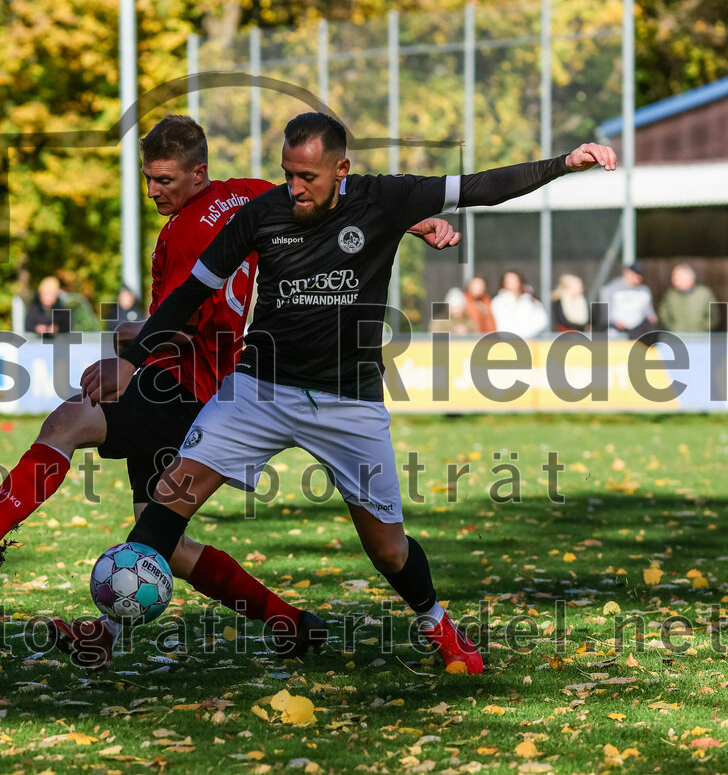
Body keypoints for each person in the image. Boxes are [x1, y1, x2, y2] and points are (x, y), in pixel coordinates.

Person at [0, 114, 458, 670]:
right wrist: (407, 222)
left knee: (70, 421)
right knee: (162, 538)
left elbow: (184, 313)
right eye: (148, 178)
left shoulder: (191, 229)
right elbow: (322, 201)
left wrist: (130, 347)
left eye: (165, 180)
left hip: (186, 382)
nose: (153, 191)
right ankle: (289, 624)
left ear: (199, 174)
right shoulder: (241, 196)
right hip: (203, 379)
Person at [82, 112, 618, 676]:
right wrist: (132, 360)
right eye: (287, 173)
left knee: (388, 550)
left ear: (341, 169)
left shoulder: (383, 200)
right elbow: (191, 292)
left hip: (349, 403)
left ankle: (438, 624)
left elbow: (479, 186)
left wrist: (565, 164)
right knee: (170, 498)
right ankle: (109, 632)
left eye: (308, 176)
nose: (295, 188)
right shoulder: (263, 214)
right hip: (259, 389)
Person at [599, 261, 659, 345]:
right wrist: (616, 323)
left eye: (640, 275)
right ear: (627, 272)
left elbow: (650, 315)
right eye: (635, 274)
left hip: (639, 334)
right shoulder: (612, 288)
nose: (638, 277)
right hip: (617, 332)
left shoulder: (644, 290)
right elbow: (606, 313)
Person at [658, 263, 718, 333]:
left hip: (701, 338)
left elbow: (714, 316)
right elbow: (663, 315)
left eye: (676, 276)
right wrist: (674, 329)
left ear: (688, 278)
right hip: (677, 338)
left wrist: (703, 330)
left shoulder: (704, 293)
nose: (673, 279)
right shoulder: (670, 295)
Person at [491, 270, 549, 338]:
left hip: (528, 341)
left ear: (520, 281)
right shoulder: (498, 301)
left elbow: (542, 321)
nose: (511, 282)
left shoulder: (531, 300)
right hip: (504, 342)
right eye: (508, 280)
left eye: (514, 279)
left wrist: (527, 333)